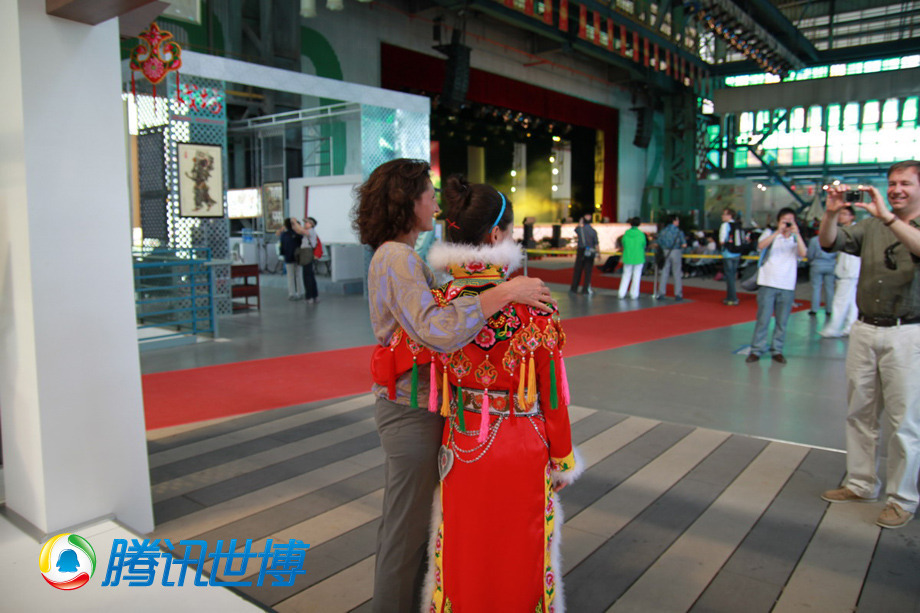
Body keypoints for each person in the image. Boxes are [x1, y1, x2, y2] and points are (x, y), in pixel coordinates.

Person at [352, 158, 554, 613]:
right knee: (407, 531)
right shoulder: (398, 258)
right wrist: (503, 292)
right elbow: (436, 329)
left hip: (420, 406)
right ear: (409, 201)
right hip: (412, 409)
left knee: (416, 526)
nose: (434, 203)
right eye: (428, 193)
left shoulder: (399, 256)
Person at [421, 175, 580, 613]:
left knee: (465, 546)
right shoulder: (533, 303)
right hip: (520, 444)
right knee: (520, 548)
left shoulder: (438, 303)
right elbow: (552, 392)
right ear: (496, 235)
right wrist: (562, 457)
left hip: (463, 441)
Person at [819, 161, 920, 530]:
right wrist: (831, 215)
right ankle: (861, 483)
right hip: (865, 328)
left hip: (908, 332)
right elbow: (830, 242)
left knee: (904, 421)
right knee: (860, 410)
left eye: (905, 184)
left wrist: (889, 218)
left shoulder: (889, 222)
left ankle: (903, 498)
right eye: (892, 183)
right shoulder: (873, 225)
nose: (896, 190)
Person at [745, 207, 807, 364]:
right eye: (784, 220)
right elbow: (760, 246)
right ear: (778, 221)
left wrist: (797, 233)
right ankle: (756, 350)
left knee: (782, 321)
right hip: (767, 283)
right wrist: (777, 232)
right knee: (763, 319)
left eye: (790, 220)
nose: (787, 223)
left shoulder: (795, 239)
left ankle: (777, 350)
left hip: (787, 286)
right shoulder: (770, 234)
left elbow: (803, 253)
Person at [820, 206, 860, 338]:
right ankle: (850, 327)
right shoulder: (843, 230)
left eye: (844, 214)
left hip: (849, 272)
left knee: (840, 301)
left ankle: (833, 328)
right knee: (851, 302)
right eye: (840, 214)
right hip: (849, 272)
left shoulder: (855, 231)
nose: (841, 216)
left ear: (851, 216)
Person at [655, 213, 687, 301]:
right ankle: (678, 294)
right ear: (674, 221)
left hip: (665, 252)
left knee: (664, 272)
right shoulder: (679, 231)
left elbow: (658, 242)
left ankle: (661, 293)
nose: (678, 222)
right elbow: (684, 244)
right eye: (677, 220)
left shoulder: (663, 230)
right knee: (676, 273)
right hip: (676, 251)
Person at [806, 230, 837, 316]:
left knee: (816, 288)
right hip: (831, 265)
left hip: (817, 265)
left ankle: (814, 309)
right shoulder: (835, 240)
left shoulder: (814, 240)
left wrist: (810, 262)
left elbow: (810, 254)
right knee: (830, 288)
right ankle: (829, 309)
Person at [569, 213, 599, 294]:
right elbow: (596, 243)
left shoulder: (580, 230)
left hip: (581, 250)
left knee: (578, 270)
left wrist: (580, 222)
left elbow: (576, 229)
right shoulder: (593, 231)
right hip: (590, 252)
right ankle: (586, 289)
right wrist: (598, 253)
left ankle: (574, 288)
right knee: (588, 271)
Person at [292, 217, 320, 304]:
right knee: (310, 275)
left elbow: (302, 231)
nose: (305, 224)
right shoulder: (308, 231)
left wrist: (295, 222)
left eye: (307, 223)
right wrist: (294, 224)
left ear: (311, 224)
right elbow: (298, 230)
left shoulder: (310, 231)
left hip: (307, 253)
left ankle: (310, 297)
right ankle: (314, 296)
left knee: (307, 275)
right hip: (307, 253)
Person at [618, 217, 647, 299]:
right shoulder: (641, 234)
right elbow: (643, 244)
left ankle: (621, 293)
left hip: (627, 257)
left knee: (626, 275)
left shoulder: (626, 234)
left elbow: (623, 243)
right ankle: (634, 294)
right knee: (636, 276)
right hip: (638, 257)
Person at [719, 208, 742, 305]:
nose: (722, 216)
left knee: (729, 276)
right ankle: (732, 296)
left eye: (724, 214)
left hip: (728, 253)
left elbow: (722, 240)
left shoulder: (725, 225)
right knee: (732, 275)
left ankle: (732, 298)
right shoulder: (737, 225)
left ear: (729, 216)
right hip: (737, 253)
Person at [278, 218, 303, 300]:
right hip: (298, 256)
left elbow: (282, 246)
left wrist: (283, 254)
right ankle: (300, 292)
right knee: (298, 275)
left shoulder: (284, 235)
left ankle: (292, 293)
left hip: (288, 257)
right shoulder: (298, 234)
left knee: (290, 276)